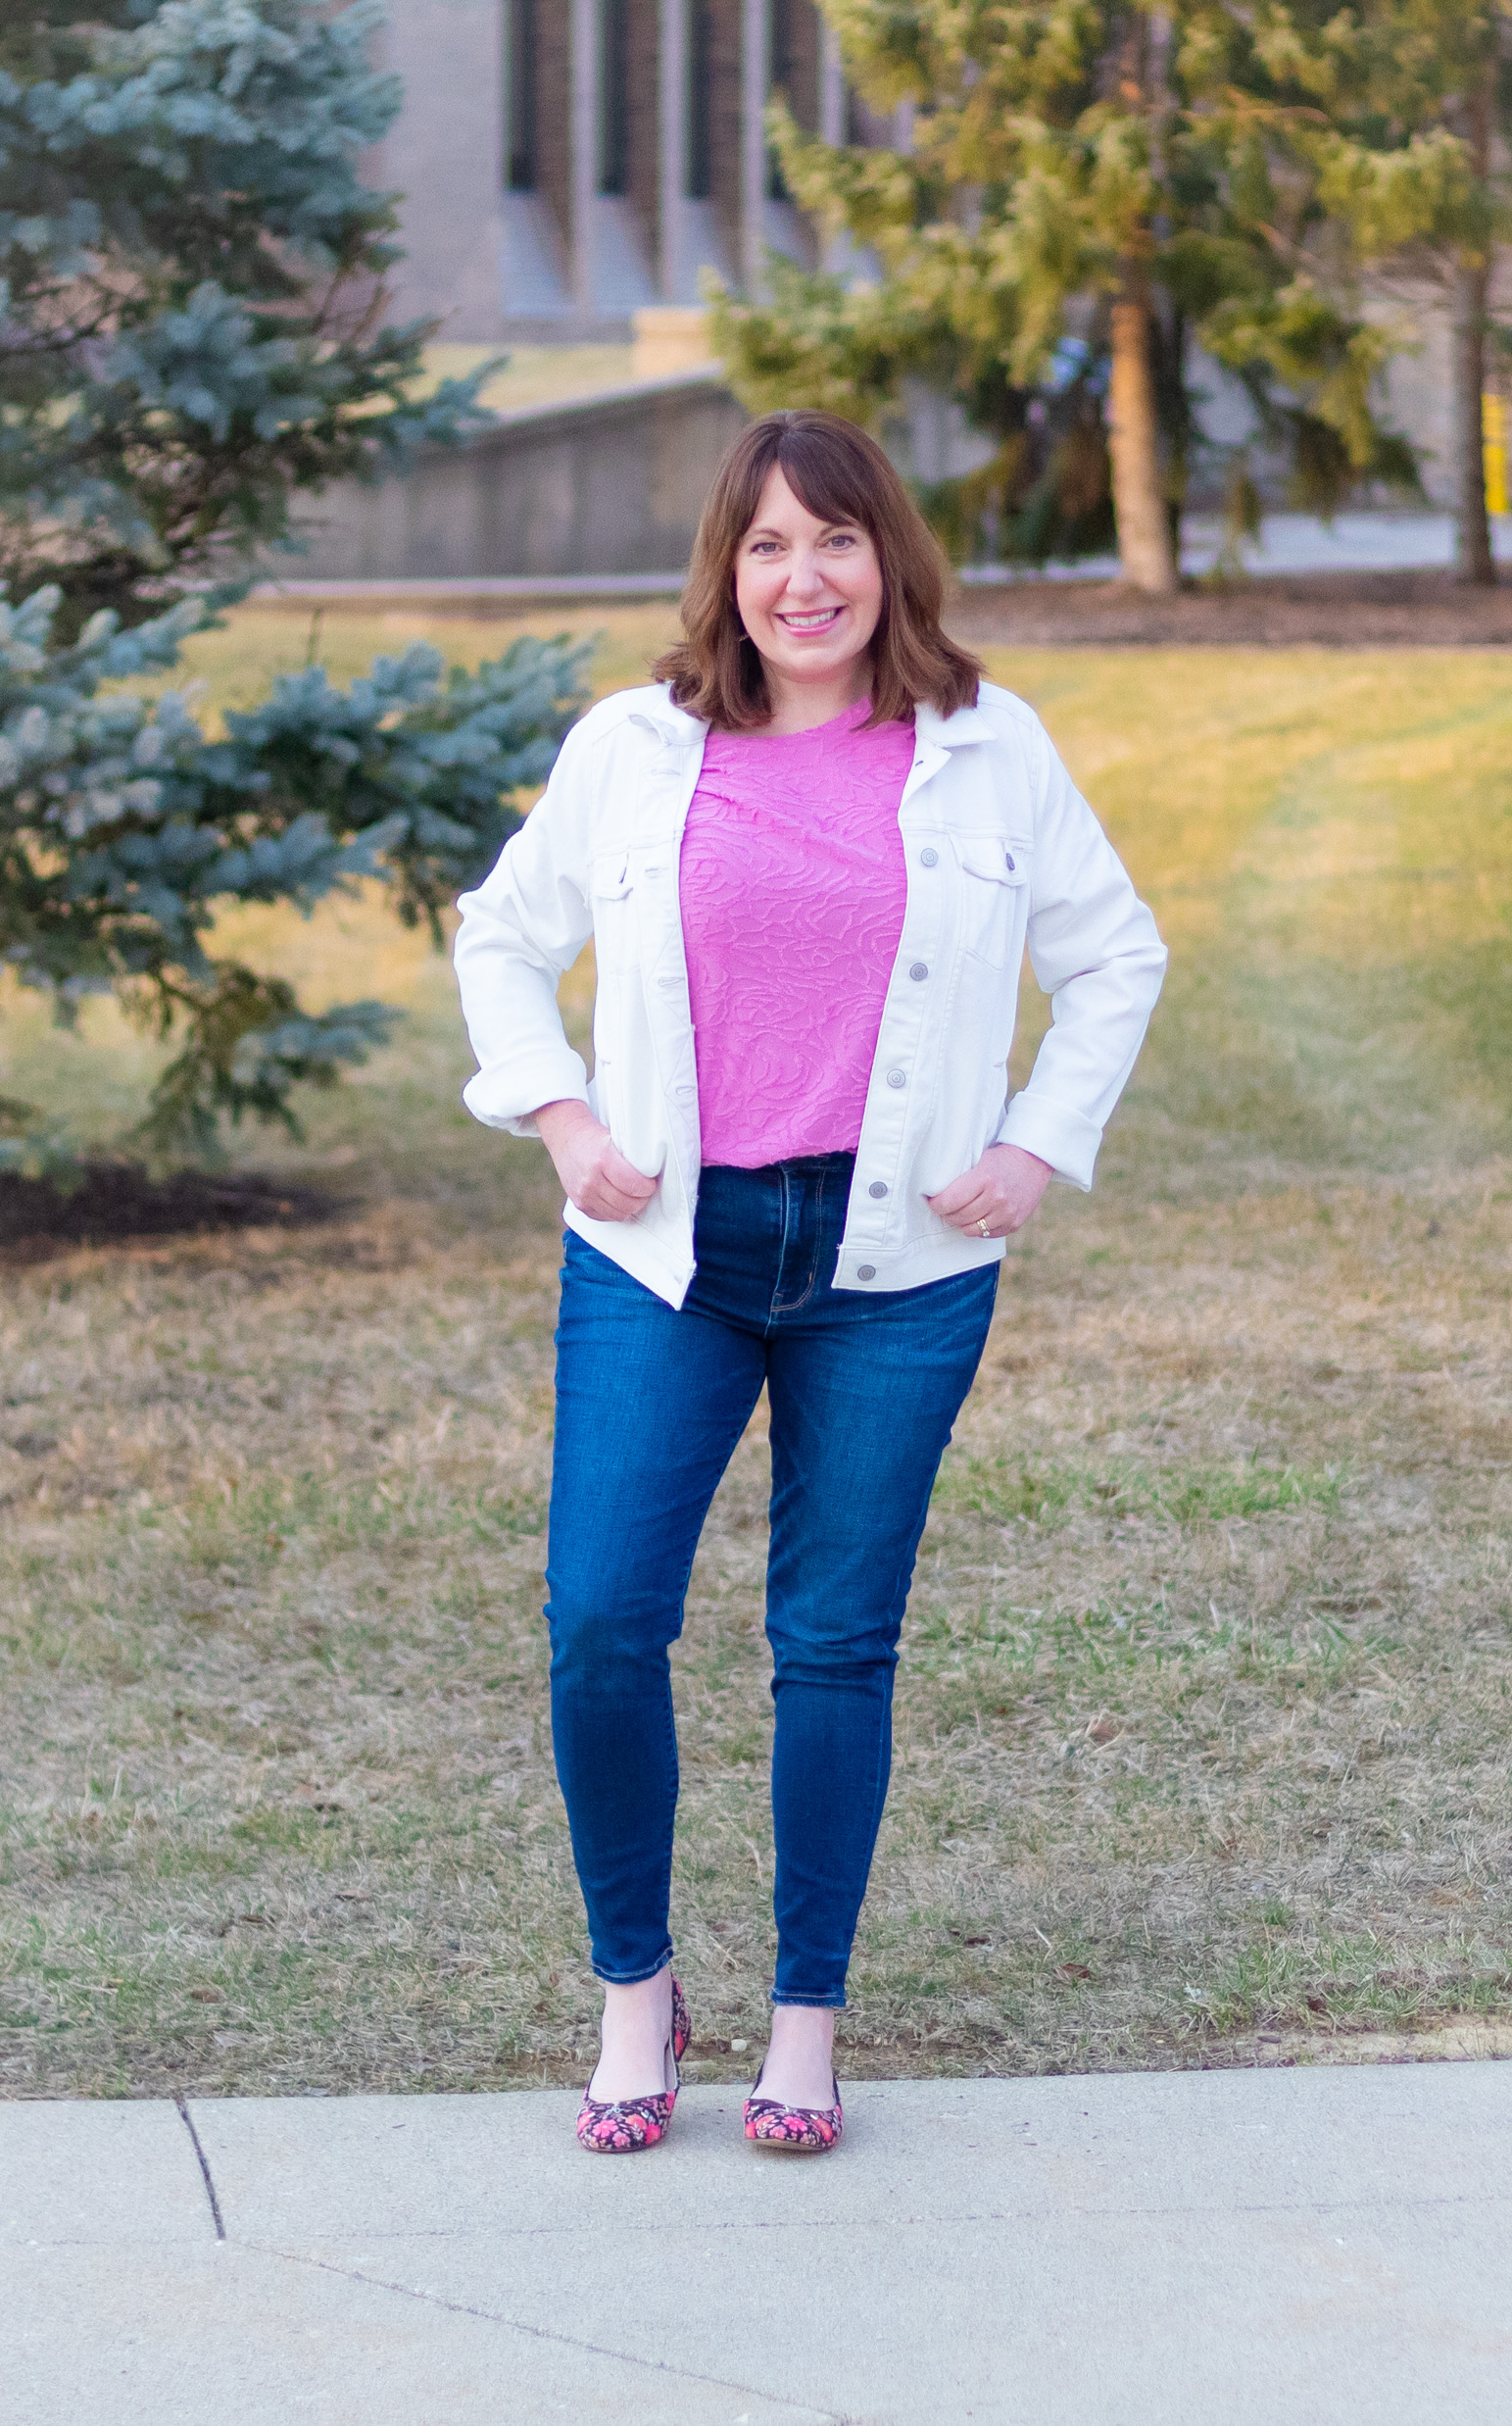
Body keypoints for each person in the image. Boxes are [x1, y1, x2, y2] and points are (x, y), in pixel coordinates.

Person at [453, 409, 1166, 2155]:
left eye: (835, 541)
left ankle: (803, 2022)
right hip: (663, 1253)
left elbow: (1113, 953)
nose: (803, 578)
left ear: (887, 558)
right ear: (727, 569)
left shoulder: (986, 749)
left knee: (831, 1644)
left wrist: (1031, 1144)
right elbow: (502, 932)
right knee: (602, 1621)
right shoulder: (636, 745)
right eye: (767, 545)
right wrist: (557, 1112)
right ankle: (638, 1994)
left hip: (897, 1261)